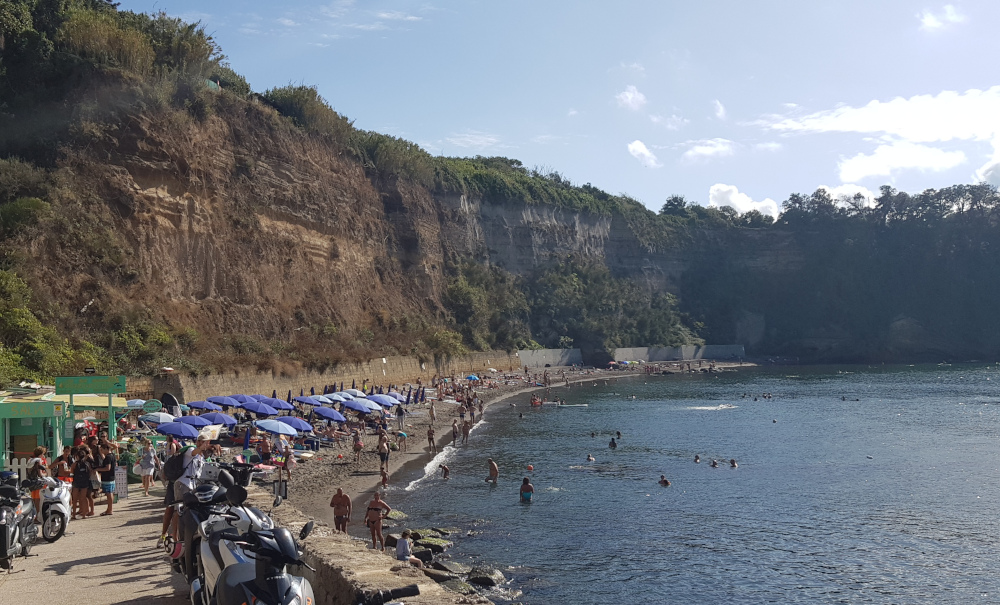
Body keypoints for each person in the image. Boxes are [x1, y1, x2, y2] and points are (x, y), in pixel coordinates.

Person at [70, 445, 95, 520]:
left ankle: (74, 514)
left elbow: (71, 473)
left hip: (76, 482)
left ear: (77, 456)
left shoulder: (75, 464)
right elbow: (90, 473)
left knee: (75, 499)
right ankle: (84, 514)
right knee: (83, 498)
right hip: (85, 482)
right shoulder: (87, 464)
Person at [96, 443, 116, 515]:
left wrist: (97, 469)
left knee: (108, 493)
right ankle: (109, 508)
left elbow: (108, 468)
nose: (102, 451)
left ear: (106, 449)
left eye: (102, 450)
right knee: (110, 492)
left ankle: (109, 509)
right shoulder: (112, 455)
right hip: (111, 477)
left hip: (108, 477)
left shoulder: (108, 457)